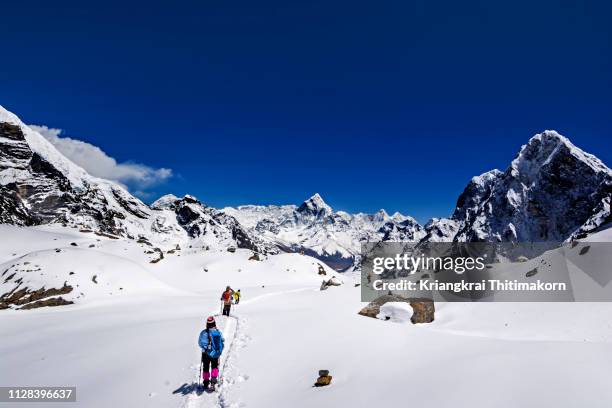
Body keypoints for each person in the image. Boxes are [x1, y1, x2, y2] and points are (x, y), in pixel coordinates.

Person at [198, 316, 224, 391]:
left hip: (205, 353)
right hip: (215, 353)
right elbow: (222, 340)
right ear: (214, 323)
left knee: (205, 367)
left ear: (207, 324)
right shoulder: (218, 332)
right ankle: (213, 381)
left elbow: (200, 343)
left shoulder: (203, 333)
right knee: (214, 366)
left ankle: (206, 383)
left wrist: (206, 347)